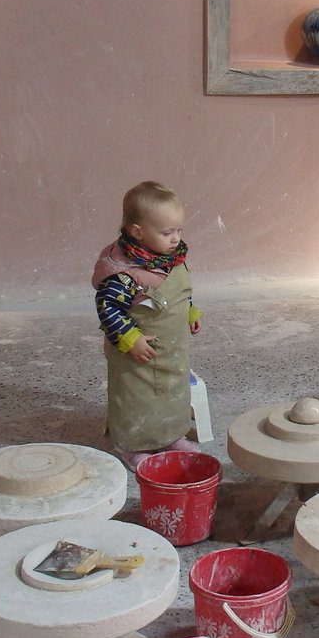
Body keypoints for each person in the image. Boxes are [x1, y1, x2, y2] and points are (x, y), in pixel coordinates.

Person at [94, 180, 202, 466]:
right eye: (167, 232)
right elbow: (108, 308)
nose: (175, 238)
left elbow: (179, 292)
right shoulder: (124, 273)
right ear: (137, 232)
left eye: (179, 230)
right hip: (137, 355)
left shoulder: (170, 257)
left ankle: (171, 435)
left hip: (171, 352)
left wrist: (190, 312)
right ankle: (132, 446)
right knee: (137, 400)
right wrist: (131, 339)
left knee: (173, 394)